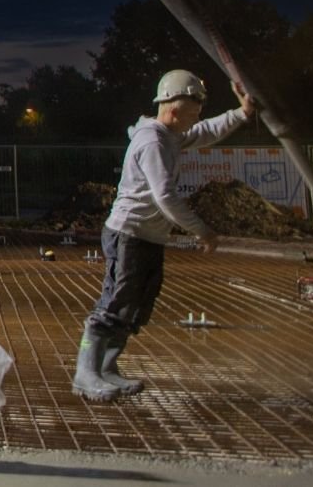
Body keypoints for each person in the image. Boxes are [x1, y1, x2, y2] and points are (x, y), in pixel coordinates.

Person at [72, 69, 253, 401]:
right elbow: (165, 196)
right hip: (129, 234)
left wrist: (241, 114)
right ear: (173, 109)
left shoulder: (172, 133)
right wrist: (203, 230)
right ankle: (86, 373)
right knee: (117, 302)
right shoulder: (152, 140)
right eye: (193, 113)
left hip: (149, 236)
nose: (196, 120)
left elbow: (207, 130)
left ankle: (108, 369)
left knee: (138, 307)